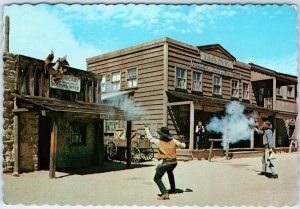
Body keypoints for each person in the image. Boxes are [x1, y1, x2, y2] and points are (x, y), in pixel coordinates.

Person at [145, 125, 186, 200]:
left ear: (162, 135)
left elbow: (150, 139)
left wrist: (146, 130)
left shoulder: (159, 142)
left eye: (160, 134)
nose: (159, 135)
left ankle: (165, 193)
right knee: (170, 172)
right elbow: (183, 146)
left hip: (167, 163)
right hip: (174, 162)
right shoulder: (173, 141)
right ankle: (173, 189)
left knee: (156, 178)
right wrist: (182, 141)